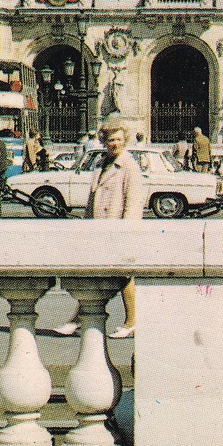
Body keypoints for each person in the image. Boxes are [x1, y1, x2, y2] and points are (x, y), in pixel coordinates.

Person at [53, 118, 144, 339]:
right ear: (104, 141)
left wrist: (127, 233)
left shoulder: (129, 166)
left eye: (119, 139)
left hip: (116, 231)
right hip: (99, 229)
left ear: (125, 141)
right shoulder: (102, 163)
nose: (115, 143)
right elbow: (93, 199)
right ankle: (80, 319)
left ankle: (131, 321)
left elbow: (134, 203)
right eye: (111, 139)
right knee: (98, 275)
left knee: (124, 276)